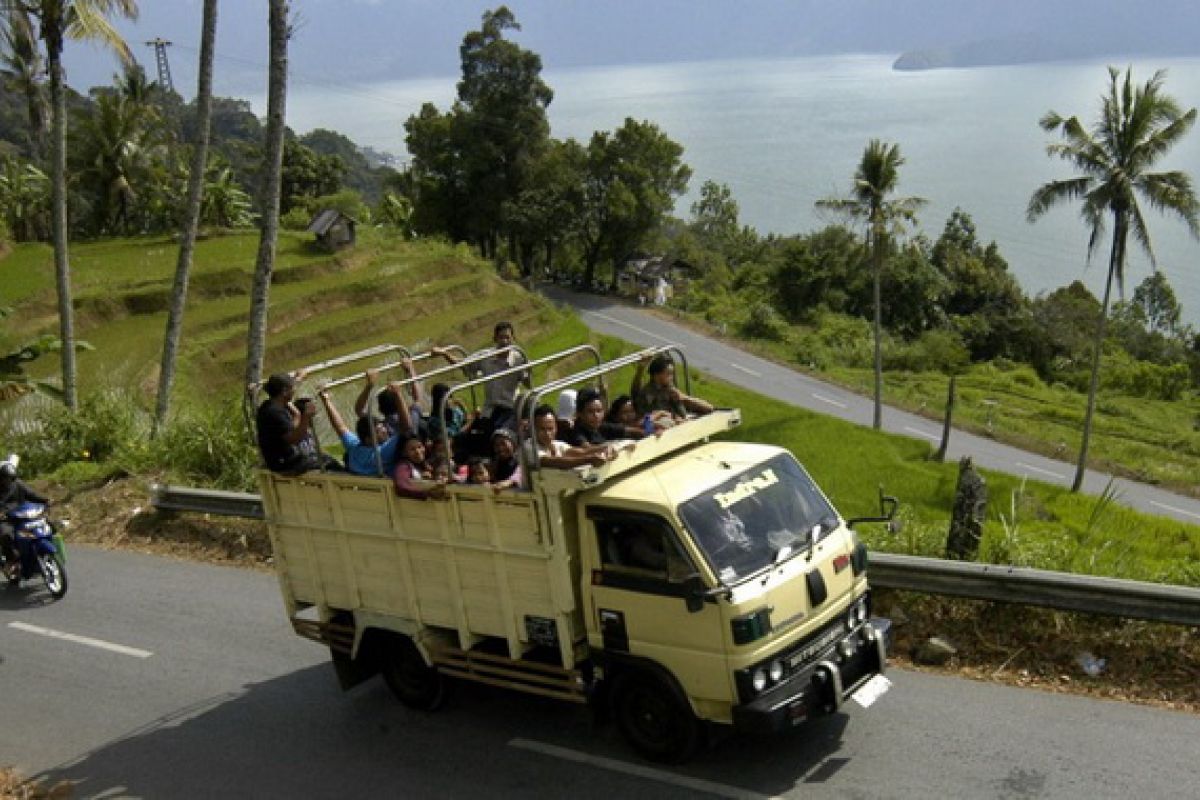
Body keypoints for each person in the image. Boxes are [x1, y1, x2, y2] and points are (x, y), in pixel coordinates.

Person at [319, 381, 401, 476]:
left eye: (383, 427)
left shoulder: (354, 446)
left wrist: (326, 400)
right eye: (379, 431)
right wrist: (398, 395)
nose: (385, 431)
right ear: (368, 440)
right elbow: (407, 428)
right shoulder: (382, 451)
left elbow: (340, 427)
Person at [524, 405, 612, 480]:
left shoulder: (557, 444)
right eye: (542, 429)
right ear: (533, 429)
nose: (547, 434)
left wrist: (606, 448)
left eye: (550, 429)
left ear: (556, 428)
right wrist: (589, 459)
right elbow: (554, 462)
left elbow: (581, 452)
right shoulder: (529, 447)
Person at [256, 373, 320, 474]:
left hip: (287, 458)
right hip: (285, 463)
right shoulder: (274, 412)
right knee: (329, 463)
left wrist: (299, 378)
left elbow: (290, 429)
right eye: (293, 387)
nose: (295, 390)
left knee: (323, 458)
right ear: (284, 391)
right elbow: (293, 439)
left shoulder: (272, 404)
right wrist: (306, 417)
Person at [0, 459, 48, 578]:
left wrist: (45, 500)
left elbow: (32, 495)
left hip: (23, 515)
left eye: (10, 478)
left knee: (47, 524)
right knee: (6, 534)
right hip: (6, 519)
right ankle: (12, 560)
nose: (8, 481)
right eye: (5, 478)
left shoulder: (18, 484)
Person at [632, 353, 713, 420]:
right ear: (656, 375)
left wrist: (684, 398)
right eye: (668, 374)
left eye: (672, 374)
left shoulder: (672, 391)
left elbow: (709, 408)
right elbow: (647, 418)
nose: (672, 378)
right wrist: (641, 368)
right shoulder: (647, 394)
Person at [393, 435, 447, 500]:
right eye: (412, 449)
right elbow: (401, 486)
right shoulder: (403, 466)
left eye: (420, 447)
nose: (418, 452)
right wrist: (426, 493)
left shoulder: (428, 464)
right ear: (404, 453)